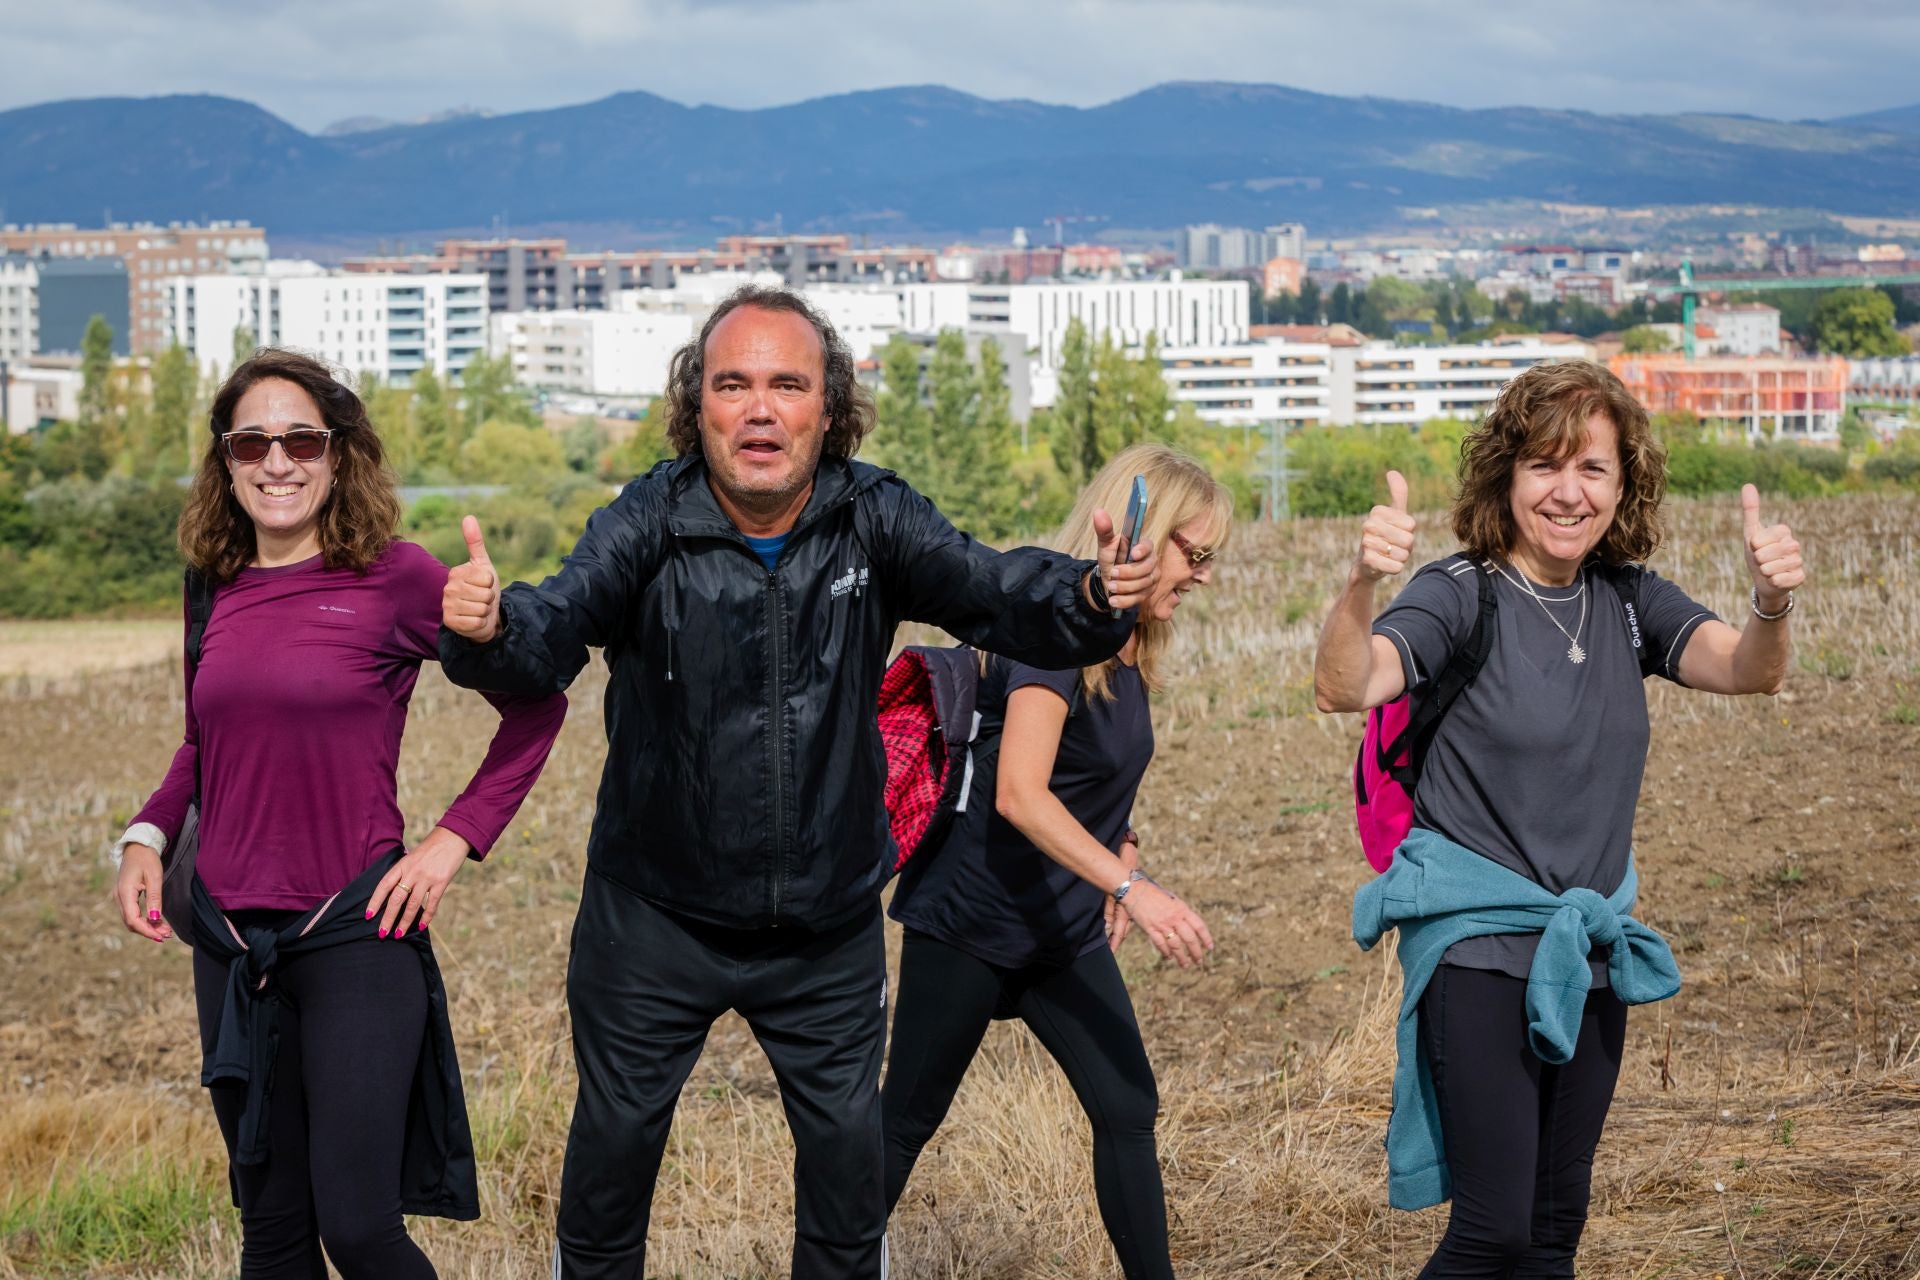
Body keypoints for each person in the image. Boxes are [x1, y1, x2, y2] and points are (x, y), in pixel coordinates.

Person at [436, 284, 1158, 1279]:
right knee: (607, 1183)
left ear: (830, 406)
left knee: (845, 1201)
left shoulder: (874, 517)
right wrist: (488, 630)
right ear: (700, 408)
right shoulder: (647, 519)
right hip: (653, 920)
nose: (761, 408)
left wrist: (1086, 597)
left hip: (825, 925)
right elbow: (549, 631)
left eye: (788, 383)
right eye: (734, 384)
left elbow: (994, 593)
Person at [1313, 358, 1805, 1278]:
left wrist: (1770, 604)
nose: (1568, 492)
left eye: (1593, 469)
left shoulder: (1627, 599)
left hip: (1591, 948)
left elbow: (1752, 670)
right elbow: (1344, 685)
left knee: (1551, 1228)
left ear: (1624, 488)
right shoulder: (1461, 592)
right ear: (1508, 475)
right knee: (1494, 1229)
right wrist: (1359, 585)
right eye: (1545, 464)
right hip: (1479, 952)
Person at [110, 349, 568, 1280]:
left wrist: (450, 843)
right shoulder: (213, 582)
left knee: (359, 1229)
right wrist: (147, 835)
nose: (276, 462)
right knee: (271, 1235)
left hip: (355, 937)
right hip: (233, 945)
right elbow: (202, 739)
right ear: (225, 460)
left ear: (336, 451)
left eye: (300, 440)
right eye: (252, 441)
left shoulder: (394, 576)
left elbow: (538, 704)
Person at [881, 443, 1229, 1279]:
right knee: (903, 1126)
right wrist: (1134, 889)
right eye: (1198, 553)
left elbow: (1089, 774)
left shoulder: (1129, 649)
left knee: (1127, 1106)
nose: (1206, 576)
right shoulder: (1054, 635)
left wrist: (1124, 839)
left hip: (1060, 929)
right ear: (1148, 536)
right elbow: (1021, 794)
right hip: (974, 920)